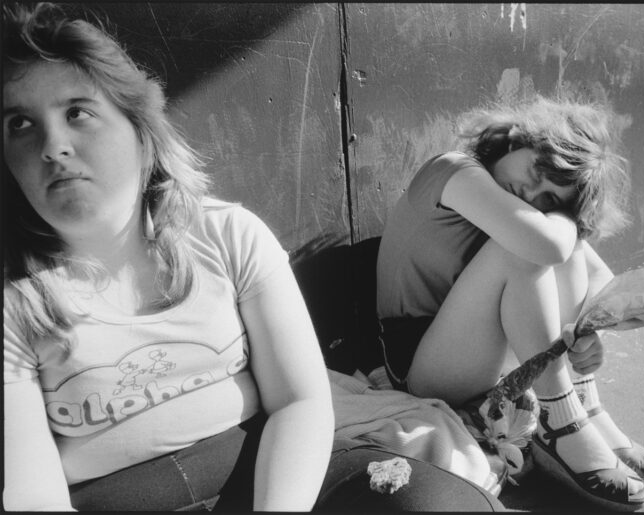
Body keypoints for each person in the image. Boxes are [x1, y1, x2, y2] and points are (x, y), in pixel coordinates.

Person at [3, 3, 505, 511]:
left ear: (140, 130)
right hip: (114, 497)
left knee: (433, 502)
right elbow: (32, 491)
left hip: (267, 464)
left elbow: (300, 401)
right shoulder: (14, 299)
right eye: (19, 123)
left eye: (77, 112)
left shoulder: (228, 235)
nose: (52, 146)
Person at [376, 96, 644, 510]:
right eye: (536, 171)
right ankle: (560, 425)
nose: (531, 192)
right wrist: (568, 218)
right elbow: (545, 244)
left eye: (550, 196)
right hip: (419, 365)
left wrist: (586, 335)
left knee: (559, 247)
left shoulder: (520, 205)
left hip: (477, 352)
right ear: (517, 140)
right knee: (535, 248)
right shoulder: (453, 169)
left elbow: (603, 283)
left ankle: (584, 405)